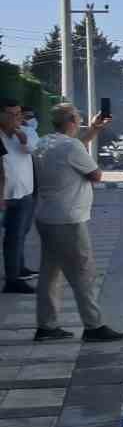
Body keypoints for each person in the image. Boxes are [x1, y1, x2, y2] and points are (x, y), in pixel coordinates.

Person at [32, 102, 123, 343]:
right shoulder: (71, 146)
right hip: (68, 219)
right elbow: (95, 175)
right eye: (79, 118)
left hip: (46, 216)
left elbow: (74, 150)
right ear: (71, 120)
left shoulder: (45, 142)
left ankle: (46, 326)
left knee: (50, 274)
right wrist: (90, 136)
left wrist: (94, 129)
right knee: (83, 273)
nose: (81, 121)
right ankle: (93, 326)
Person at [2, 97, 38, 293]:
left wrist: (23, 140)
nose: (15, 119)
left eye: (18, 114)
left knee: (16, 238)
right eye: (10, 115)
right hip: (3, 197)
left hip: (23, 195)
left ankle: (13, 278)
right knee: (11, 239)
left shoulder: (28, 132)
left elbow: (35, 150)